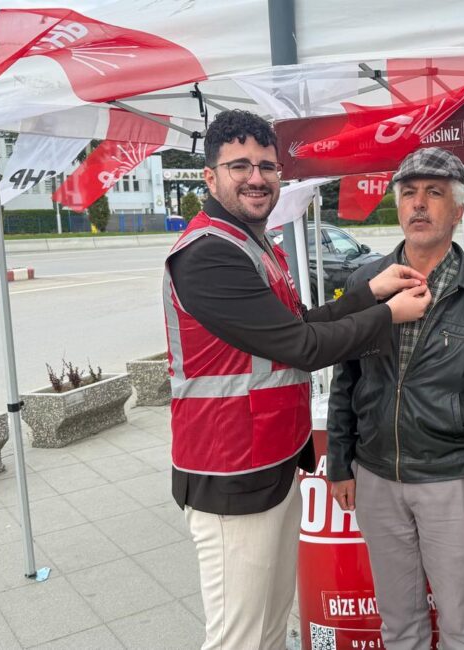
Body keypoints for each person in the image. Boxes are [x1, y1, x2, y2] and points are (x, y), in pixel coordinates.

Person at [163, 109, 433, 650]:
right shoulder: (209, 254)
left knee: (269, 626)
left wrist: (368, 293)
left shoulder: (255, 245)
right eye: (239, 165)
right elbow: (302, 348)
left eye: (267, 165)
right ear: (209, 178)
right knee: (237, 638)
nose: (257, 177)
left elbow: (299, 324)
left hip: (273, 462)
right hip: (230, 474)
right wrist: (389, 316)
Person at [325, 147, 464, 650]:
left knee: (459, 620)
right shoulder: (366, 283)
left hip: (450, 480)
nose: (419, 204)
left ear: (457, 211)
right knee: (399, 619)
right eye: (409, 193)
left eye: (434, 193)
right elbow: (346, 379)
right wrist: (339, 463)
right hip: (376, 476)